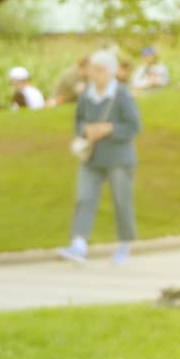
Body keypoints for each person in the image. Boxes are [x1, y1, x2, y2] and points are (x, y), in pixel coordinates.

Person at [57, 51, 141, 267]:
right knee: (84, 198)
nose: (93, 74)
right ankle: (79, 243)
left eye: (97, 69)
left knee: (122, 201)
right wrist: (86, 130)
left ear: (108, 72)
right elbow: (78, 122)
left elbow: (133, 126)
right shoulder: (87, 95)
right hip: (91, 157)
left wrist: (109, 129)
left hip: (118, 158)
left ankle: (124, 243)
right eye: (92, 69)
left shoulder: (121, 95)